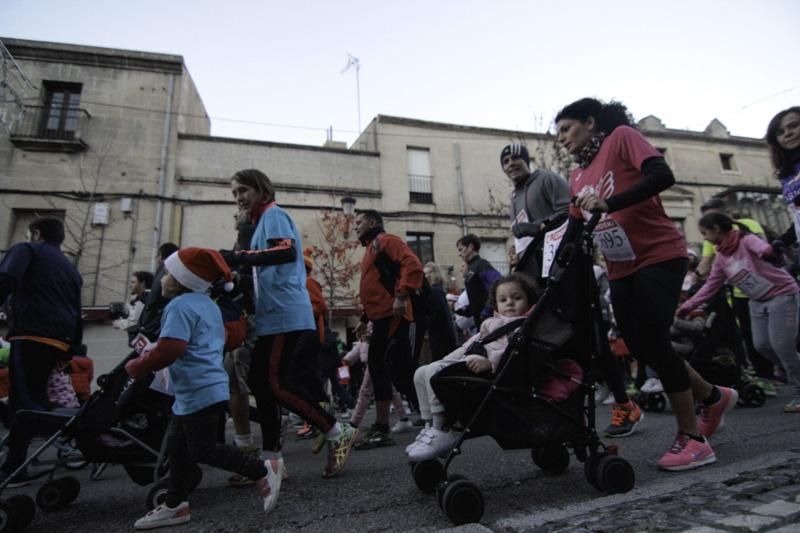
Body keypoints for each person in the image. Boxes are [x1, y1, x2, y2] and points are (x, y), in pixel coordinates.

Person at [555, 97, 737, 471]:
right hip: (621, 266)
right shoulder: (576, 176)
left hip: (660, 254)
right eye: (556, 133)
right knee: (640, 345)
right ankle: (712, 396)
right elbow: (573, 221)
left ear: (590, 122)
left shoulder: (621, 137)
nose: (561, 138)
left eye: (566, 128)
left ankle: (693, 438)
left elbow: (661, 175)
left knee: (653, 339)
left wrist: (610, 202)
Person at [223, 169, 358, 506]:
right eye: (234, 192)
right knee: (261, 381)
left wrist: (237, 257)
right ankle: (273, 461)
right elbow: (259, 266)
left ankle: (336, 431)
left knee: (274, 383)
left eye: (243, 190)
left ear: (260, 188)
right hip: (272, 316)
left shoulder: (274, 215)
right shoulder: (258, 225)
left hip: (285, 315)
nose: (238, 197)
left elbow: (284, 251)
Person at [124, 247, 273, 529]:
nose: (163, 278)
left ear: (182, 280)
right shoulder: (207, 305)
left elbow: (171, 348)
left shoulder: (179, 306)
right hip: (202, 386)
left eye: (169, 273)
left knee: (202, 449)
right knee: (178, 449)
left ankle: (261, 470)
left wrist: (138, 365)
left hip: (198, 388)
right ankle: (175, 504)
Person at [407, 273, 581, 461]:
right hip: (471, 357)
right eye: (503, 300)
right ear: (496, 304)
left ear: (529, 301)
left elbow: (512, 354)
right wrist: (444, 361)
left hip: (491, 372)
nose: (510, 304)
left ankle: (442, 427)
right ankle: (429, 426)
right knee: (422, 372)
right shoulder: (491, 323)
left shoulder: (523, 328)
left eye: (517, 298)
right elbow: (471, 344)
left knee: (434, 372)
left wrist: (491, 363)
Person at [678, 213, 800, 413]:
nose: (705, 238)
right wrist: (688, 306)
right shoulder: (721, 258)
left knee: (782, 346)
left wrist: (770, 251)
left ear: (716, 229)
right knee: (762, 346)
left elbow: (764, 249)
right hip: (757, 301)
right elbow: (711, 286)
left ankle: (798, 389)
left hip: (782, 294)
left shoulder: (746, 239)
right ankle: (793, 369)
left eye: (705, 233)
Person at [0, 217, 83, 486]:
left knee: (26, 404)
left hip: (31, 334)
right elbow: (76, 312)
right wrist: (70, 350)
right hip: (59, 340)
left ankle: (76, 428)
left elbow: (7, 277)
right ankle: (15, 466)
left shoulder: (27, 250)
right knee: (24, 401)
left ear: (36, 233)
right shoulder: (70, 270)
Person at [353, 209, 423, 449]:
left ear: (372, 222)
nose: (355, 227)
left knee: (400, 372)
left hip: (394, 316)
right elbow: (376, 287)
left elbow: (412, 264)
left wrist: (402, 296)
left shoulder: (385, 241)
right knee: (385, 369)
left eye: (359, 222)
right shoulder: (371, 248)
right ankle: (385, 427)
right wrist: (364, 318)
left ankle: (435, 417)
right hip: (381, 317)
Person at [695, 198, 773, 387]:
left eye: (713, 217)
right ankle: (766, 376)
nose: (710, 224)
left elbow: (764, 250)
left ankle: (785, 367)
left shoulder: (749, 225)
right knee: (750, 335)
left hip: (771, 288)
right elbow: (706, 263)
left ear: (726, 213)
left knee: (780, 334)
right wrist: (693, 278)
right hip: (742, 292)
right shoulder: (711, 237)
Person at [501, 143, 571, 279]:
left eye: (515, 158)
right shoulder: (513, 199)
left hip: (558, 263)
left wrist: (538, 226)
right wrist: (517, 255)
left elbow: (570, 211)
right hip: (531, 271)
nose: (511, 164)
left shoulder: (546, 178)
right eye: (506, 161)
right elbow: (522, 238)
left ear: (526, 160)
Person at [342, 328, 411, 433]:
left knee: (365, 392)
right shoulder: (369, 324)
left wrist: (346, 359)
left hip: (375, 360)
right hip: (374, 360)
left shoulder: (372, 321)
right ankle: (404, 418)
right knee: (391, 392)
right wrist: (346, 359)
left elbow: (363, 343)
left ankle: (353, 424)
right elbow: (360, 346)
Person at [766, 106, 800, 250]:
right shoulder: (787, 174)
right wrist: (783, 241)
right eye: (780, 132)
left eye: (794, 126)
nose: (788, 134)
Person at [134, 242, 179, 342]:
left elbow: (153, 298)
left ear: (162, 256)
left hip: (156, 324)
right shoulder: (176, 269)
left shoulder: (166, 268)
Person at [456, 234, 502, 328]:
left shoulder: (482, 264)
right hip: (480, 322)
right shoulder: (471, 268)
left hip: (489, 322)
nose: (459, 254)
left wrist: (486, 312)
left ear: (470, 247)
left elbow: (498, 286)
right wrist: (465, 310)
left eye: (461, 249)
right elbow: (477, 297)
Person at [422, 262, 457, 361]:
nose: (425, 276)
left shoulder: (435, 291)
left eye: (428, 273)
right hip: (444, 336)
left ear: (434, 274)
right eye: (424, 274)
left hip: (441, 338)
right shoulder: (437, 290)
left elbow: (435, 315)